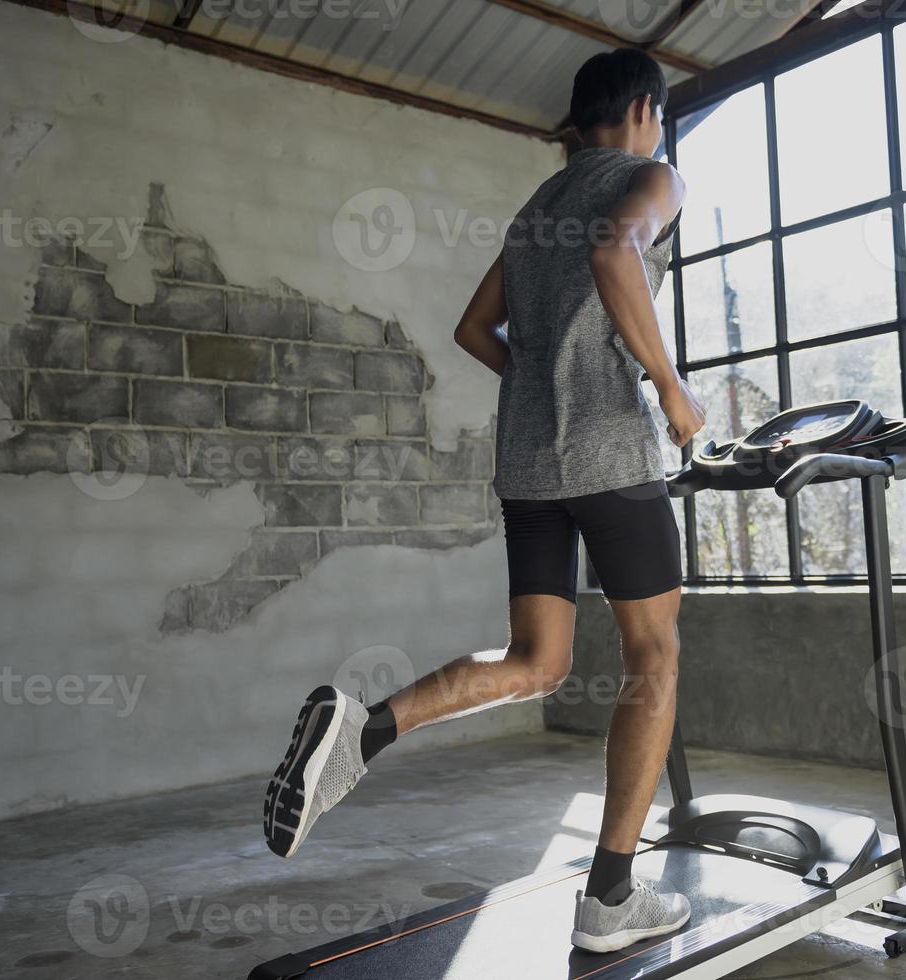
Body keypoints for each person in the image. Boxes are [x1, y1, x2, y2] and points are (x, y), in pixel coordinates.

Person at [262, 48, 707, 954]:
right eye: (658, 117)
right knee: (653, 654)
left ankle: (366, 728)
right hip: (611, 453)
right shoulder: (652, 175)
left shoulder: (535, 206)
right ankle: (612, 898)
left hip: (529, 466)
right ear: (644, 110)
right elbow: (616, 248)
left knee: (536, 660)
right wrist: (666, 386)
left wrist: (541, 385)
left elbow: (473, 330)